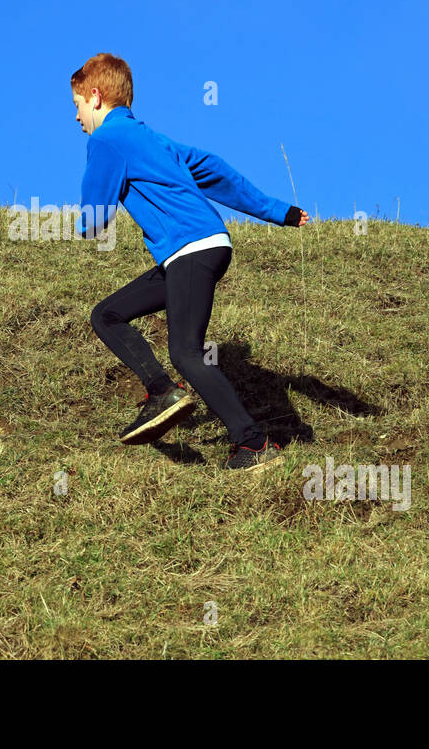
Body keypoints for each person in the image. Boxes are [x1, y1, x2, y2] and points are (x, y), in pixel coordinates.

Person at [72, 53, 308, 471]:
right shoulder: (155, 141)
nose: (76, 118)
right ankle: (161, 390)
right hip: (200, 248)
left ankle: (253, 444)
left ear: (95, 97)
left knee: (185, 351)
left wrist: (85, 221)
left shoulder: (106, 140)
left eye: (76, 106)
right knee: (107, 315)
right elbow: (214, 170)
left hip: (191, 249)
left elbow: (94, 219)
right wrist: (278, 211)